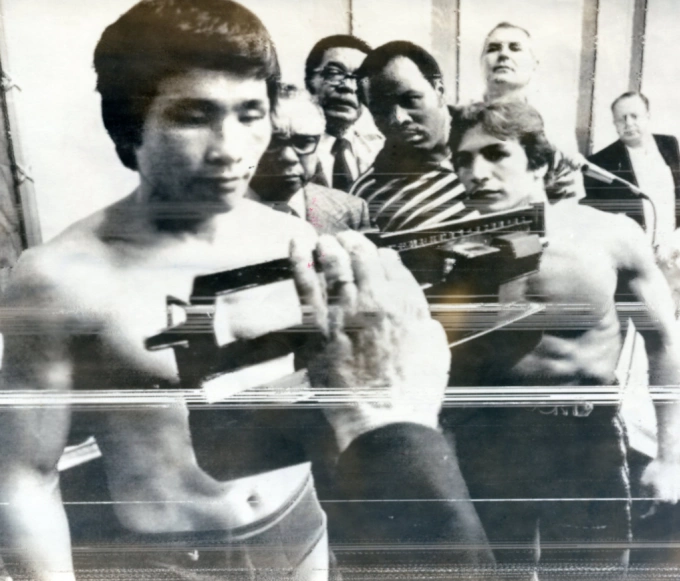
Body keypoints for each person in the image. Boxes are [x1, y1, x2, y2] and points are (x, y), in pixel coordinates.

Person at [0, 2, 492, 580]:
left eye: (250, 113)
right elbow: (24, 477)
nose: (230, 147)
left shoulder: (294, 241)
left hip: (302, 535)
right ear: (131, 122)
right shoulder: (58, 278)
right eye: (194, 116)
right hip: (174, 559)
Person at [443, 100, 680, 575]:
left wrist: (670, 456)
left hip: (583, 437)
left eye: (496, 154)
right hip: (489, 441)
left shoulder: (609, 235)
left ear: (540, 162)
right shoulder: (452, 251)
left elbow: (665, 342)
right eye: (464, 160)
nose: (477, 172)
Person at [351, 41, 473, 232]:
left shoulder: (499, 146)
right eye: (382, 110)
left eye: (410, 100)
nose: (399, 119)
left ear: (439, 91)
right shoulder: (367, 194)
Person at [480, 21, 585, 201]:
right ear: (481, 63)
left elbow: (569, 196)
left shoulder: (554, 123)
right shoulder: (459, 118)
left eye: (515, 48)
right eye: (493, 48)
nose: (503, 54)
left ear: (534, 63)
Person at [248, 85, 371, 235]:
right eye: (272, 143)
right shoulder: (222, 212)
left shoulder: (352, 211)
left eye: (303, 142)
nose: (288, 157)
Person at [584, 91, 680, 243]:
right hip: (636, 250)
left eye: (634, 116)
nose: (628, 123)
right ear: (615, 124)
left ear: (647, 116)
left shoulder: (669, 144)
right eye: (621, 119)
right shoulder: (600, 162)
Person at [304, 35, 384, 192]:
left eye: (360, 79)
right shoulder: (285, 150)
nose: (348, 86)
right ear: (309, 81)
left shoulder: (379, 152)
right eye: (334, 73)